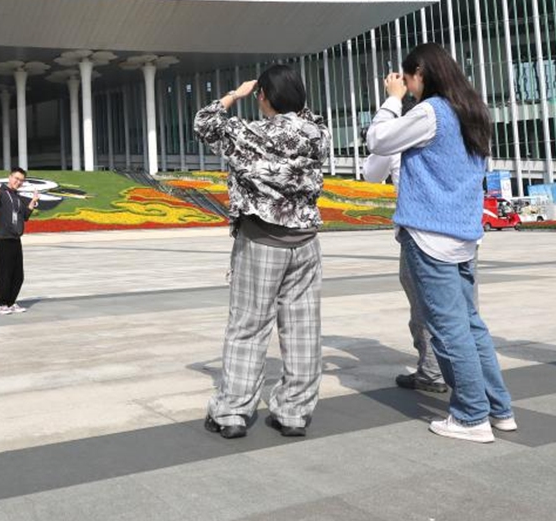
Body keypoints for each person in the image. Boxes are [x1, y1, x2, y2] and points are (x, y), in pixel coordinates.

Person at [366, 43, 515, 443]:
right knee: (470, 324)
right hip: (463, 234)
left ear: (420, 73)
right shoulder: (472, 112)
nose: (407, 85)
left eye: (408, 77)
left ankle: (470, 416)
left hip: (429, 234)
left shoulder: (431, 111)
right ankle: (498, 408)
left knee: (448, 329)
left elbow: (378, 141)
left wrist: (391, 101)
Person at [195, 63, 329, 439]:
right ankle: (293, 412)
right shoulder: (318, 133)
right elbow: (305, 116)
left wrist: (235, 95)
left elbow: (205, 122)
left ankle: (233, 411)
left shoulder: (248, 133)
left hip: (261, 240)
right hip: (304, 241)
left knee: (248, 326)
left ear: (263, 97)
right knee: (302, 328)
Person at [361, 97, 450, 394]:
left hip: (418, 232)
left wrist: (389, 107)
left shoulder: (404, 134)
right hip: (457, 231)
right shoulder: (453, 127)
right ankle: (451, 373)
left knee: (423, 306)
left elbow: (371, 173)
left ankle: (432, 371)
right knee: (459, 310)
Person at [0, 166, 39, 315]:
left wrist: (32, 203)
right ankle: (2, 303)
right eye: (16, 178)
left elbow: (24, 216)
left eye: (21, 180)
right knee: (5, 273)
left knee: (18, 275)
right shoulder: (0, 193)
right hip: (3, 239)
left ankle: (11, 302)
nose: (18, 182)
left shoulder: (17, 197)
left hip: (15, 239)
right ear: (10, 177)